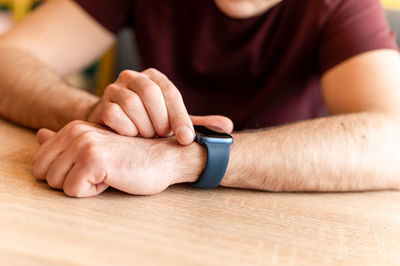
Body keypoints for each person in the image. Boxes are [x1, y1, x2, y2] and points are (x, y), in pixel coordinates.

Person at [0, 0, 400, 197]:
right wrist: (100, 113)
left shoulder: (344, 6)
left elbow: (393, 138)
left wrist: (181, 159)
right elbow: (8, 59)